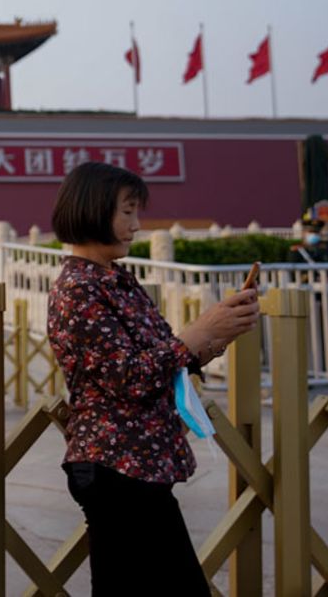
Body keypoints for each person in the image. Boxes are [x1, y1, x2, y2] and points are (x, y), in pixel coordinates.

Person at [47, 162, 261, 596]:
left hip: (137, 463)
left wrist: (215, 336)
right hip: (116, 464)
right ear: (94, 209)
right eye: (126, 212)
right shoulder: (79, 289)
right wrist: (197, 332)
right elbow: (126, 375)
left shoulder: (116, 280)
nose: (136, 225)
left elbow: (162, 358)